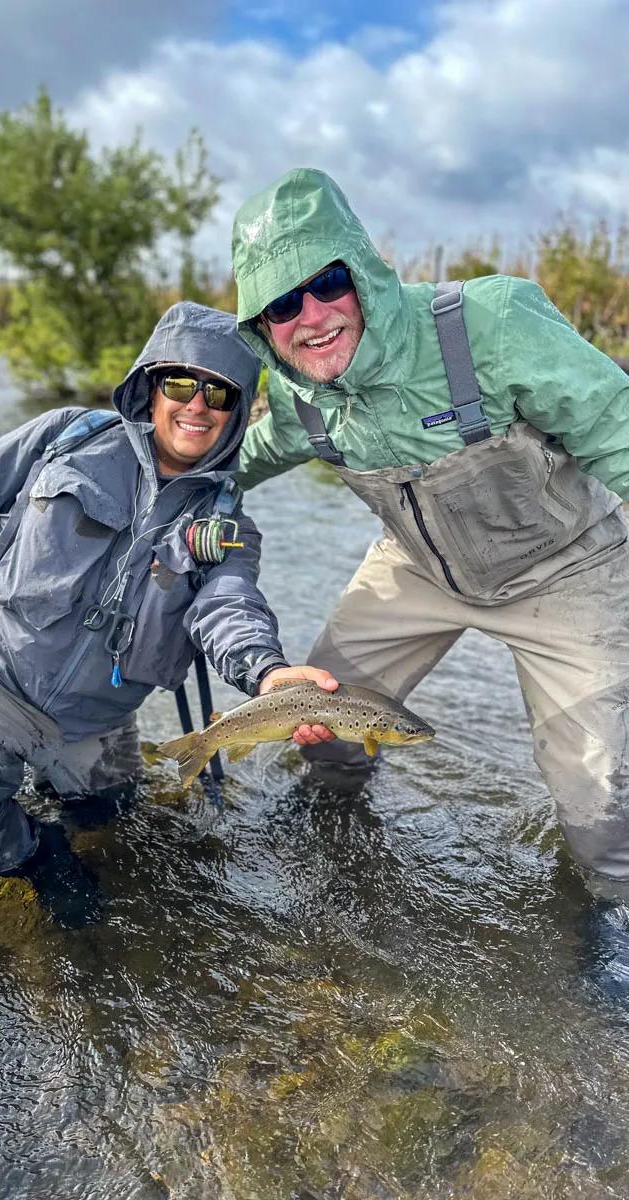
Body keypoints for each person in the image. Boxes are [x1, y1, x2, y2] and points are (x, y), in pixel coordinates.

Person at [231, 167, 629, 988]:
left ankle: (605, 931)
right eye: (280, 305)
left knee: (604, 813)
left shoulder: (489, 321)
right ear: (262, 327)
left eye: (326, 284)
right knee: (321, 718)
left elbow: (614, 424)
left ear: (363, 272)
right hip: (416, 569)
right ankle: (331, 822)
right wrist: (131, 473)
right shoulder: (302, 398)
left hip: (571, 568)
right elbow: (235, 461)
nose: (310, 316)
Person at [0, 301, 335, 926]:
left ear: (236, 414)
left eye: (220, 394)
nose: (197, 405)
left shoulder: (228, 527)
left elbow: (228, 605)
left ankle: (66, 823)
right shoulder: (64, 436)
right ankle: (34, 857)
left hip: (99, 718)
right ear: (151, 386)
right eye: (181, 383)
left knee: (114, 824)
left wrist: (269, 675)